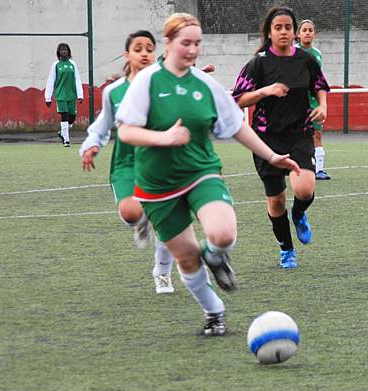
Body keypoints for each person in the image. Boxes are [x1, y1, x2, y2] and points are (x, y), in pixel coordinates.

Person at [115, 13, 301, 336]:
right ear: (169, 43)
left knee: (222, 234)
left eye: (197, 43)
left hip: (201, 172)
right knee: (187, 258)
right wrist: (162, 138)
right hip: (158, 185)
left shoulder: (205, 84)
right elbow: (127, 131)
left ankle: (215, 257)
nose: (192, 50)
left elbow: (236, 126)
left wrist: (272, 156)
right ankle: (214, 312)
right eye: (185, 43)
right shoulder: (147, 81)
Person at [232, 6, 330, 269]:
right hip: (266, 140)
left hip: (299, 134)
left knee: (305, 188)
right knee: (276, 202)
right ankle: (286, 249)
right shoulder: (258, 63)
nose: (284, 32)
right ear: (269, 32)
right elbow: (239, 99)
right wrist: (266, 91)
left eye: (288, 27)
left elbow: (320, 86)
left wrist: (323, 106)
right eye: (278, 28)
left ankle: (299, 214)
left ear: (295, 32)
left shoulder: (306, 59)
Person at [79, 30, 175, 295]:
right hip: (126, 164)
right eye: (138, 48)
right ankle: (141, 222)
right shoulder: (114, 91)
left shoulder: (164, 87)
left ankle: (163, 273)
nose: (144, 53)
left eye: (149, 48)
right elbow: (102, 125)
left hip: (161, 164)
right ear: (128, 55)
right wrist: (92, 145)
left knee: (168, 226)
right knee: (131, 212)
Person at [295, 19, 330, 180]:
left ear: (314, 34)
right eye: (304, 30)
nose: (307, 32)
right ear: (298, 34)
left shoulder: (317, 54)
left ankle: (319, 170)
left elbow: (317, 78)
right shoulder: (293, 51)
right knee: (296, 135)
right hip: (296, 101)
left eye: (310, 30)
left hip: (313, 101)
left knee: (317, 134)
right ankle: (294, 167)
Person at [45, 43, 83, 147]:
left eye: (65, 50)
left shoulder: (73, 64)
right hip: (60, 94)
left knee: (72, 116)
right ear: (58, 52)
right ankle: (66, 140)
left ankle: (62, 132)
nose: (64, 51)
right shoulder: (56, 65)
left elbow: (77, 79)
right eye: (61, 50)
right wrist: (47, 97)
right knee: (64, 115)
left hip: (72, 94)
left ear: (69, 52)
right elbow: (51, 80)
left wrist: (80, 95)